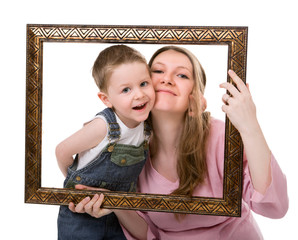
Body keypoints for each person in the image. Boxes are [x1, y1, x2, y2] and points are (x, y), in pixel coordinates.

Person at [69, 46, 288, 240]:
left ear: (196, 101)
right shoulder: (128, 149)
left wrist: (250, 125)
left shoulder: (220, 135)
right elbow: (148, 234)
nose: (166, 79)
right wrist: (113, 204)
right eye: (158, 71)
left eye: (182, 75)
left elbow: (273, 207)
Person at [56, 45, 155, 239]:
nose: (139, 94)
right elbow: (62, 151)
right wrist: (74, 184)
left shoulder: (147, 125)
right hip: (81, 215)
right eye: (126, 89)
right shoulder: (104, 127)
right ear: (106, 99)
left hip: (118, 213)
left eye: (144, 83)